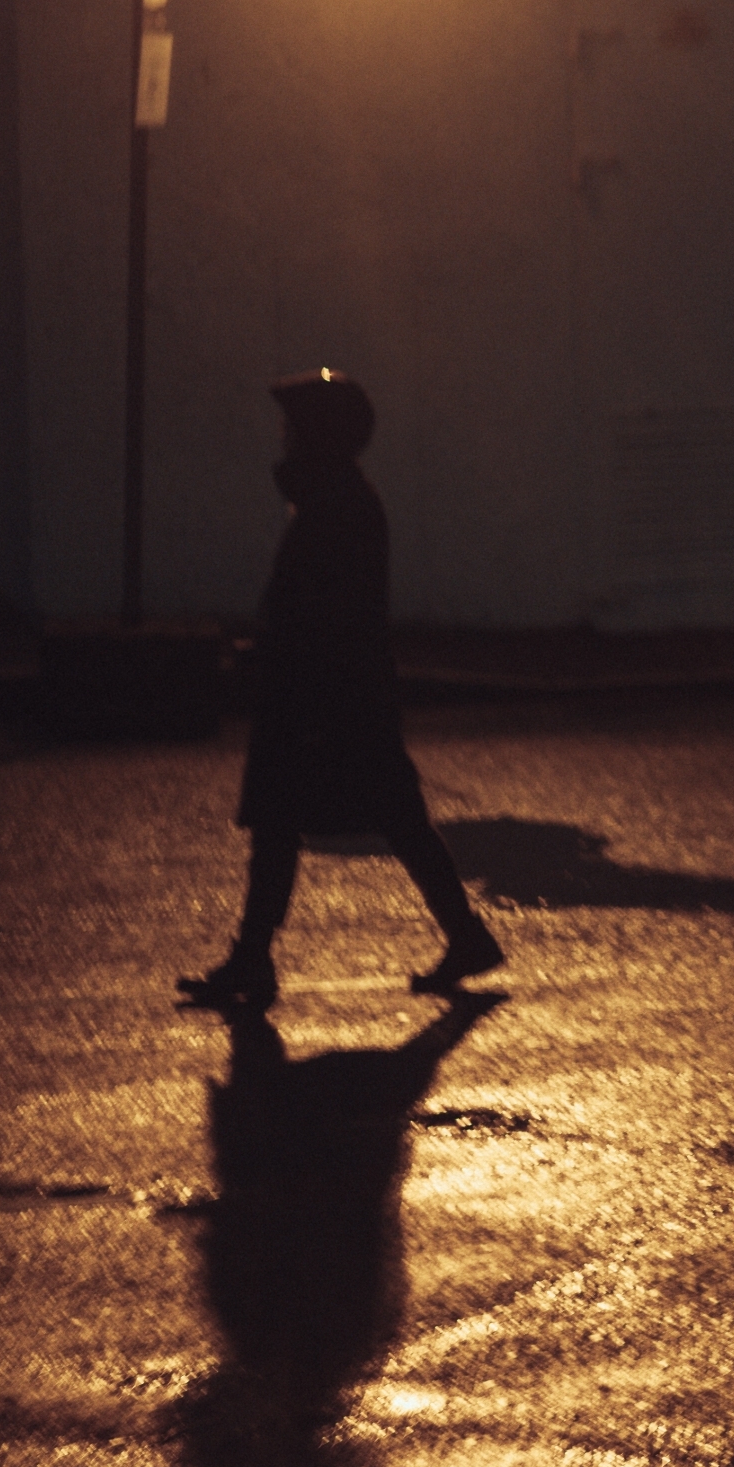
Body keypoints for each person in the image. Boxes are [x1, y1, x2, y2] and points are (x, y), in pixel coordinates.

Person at [177, 370, 506, 1007]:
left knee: (300, 821)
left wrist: (275, 655)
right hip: (340, 692)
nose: (284, 435)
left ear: (317, 435)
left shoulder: (336, 505)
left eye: (294, 426)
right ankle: (461, 936)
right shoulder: (336, 498)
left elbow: (324, 609)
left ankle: (255, 959)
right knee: (370, 820)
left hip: (326, 696)